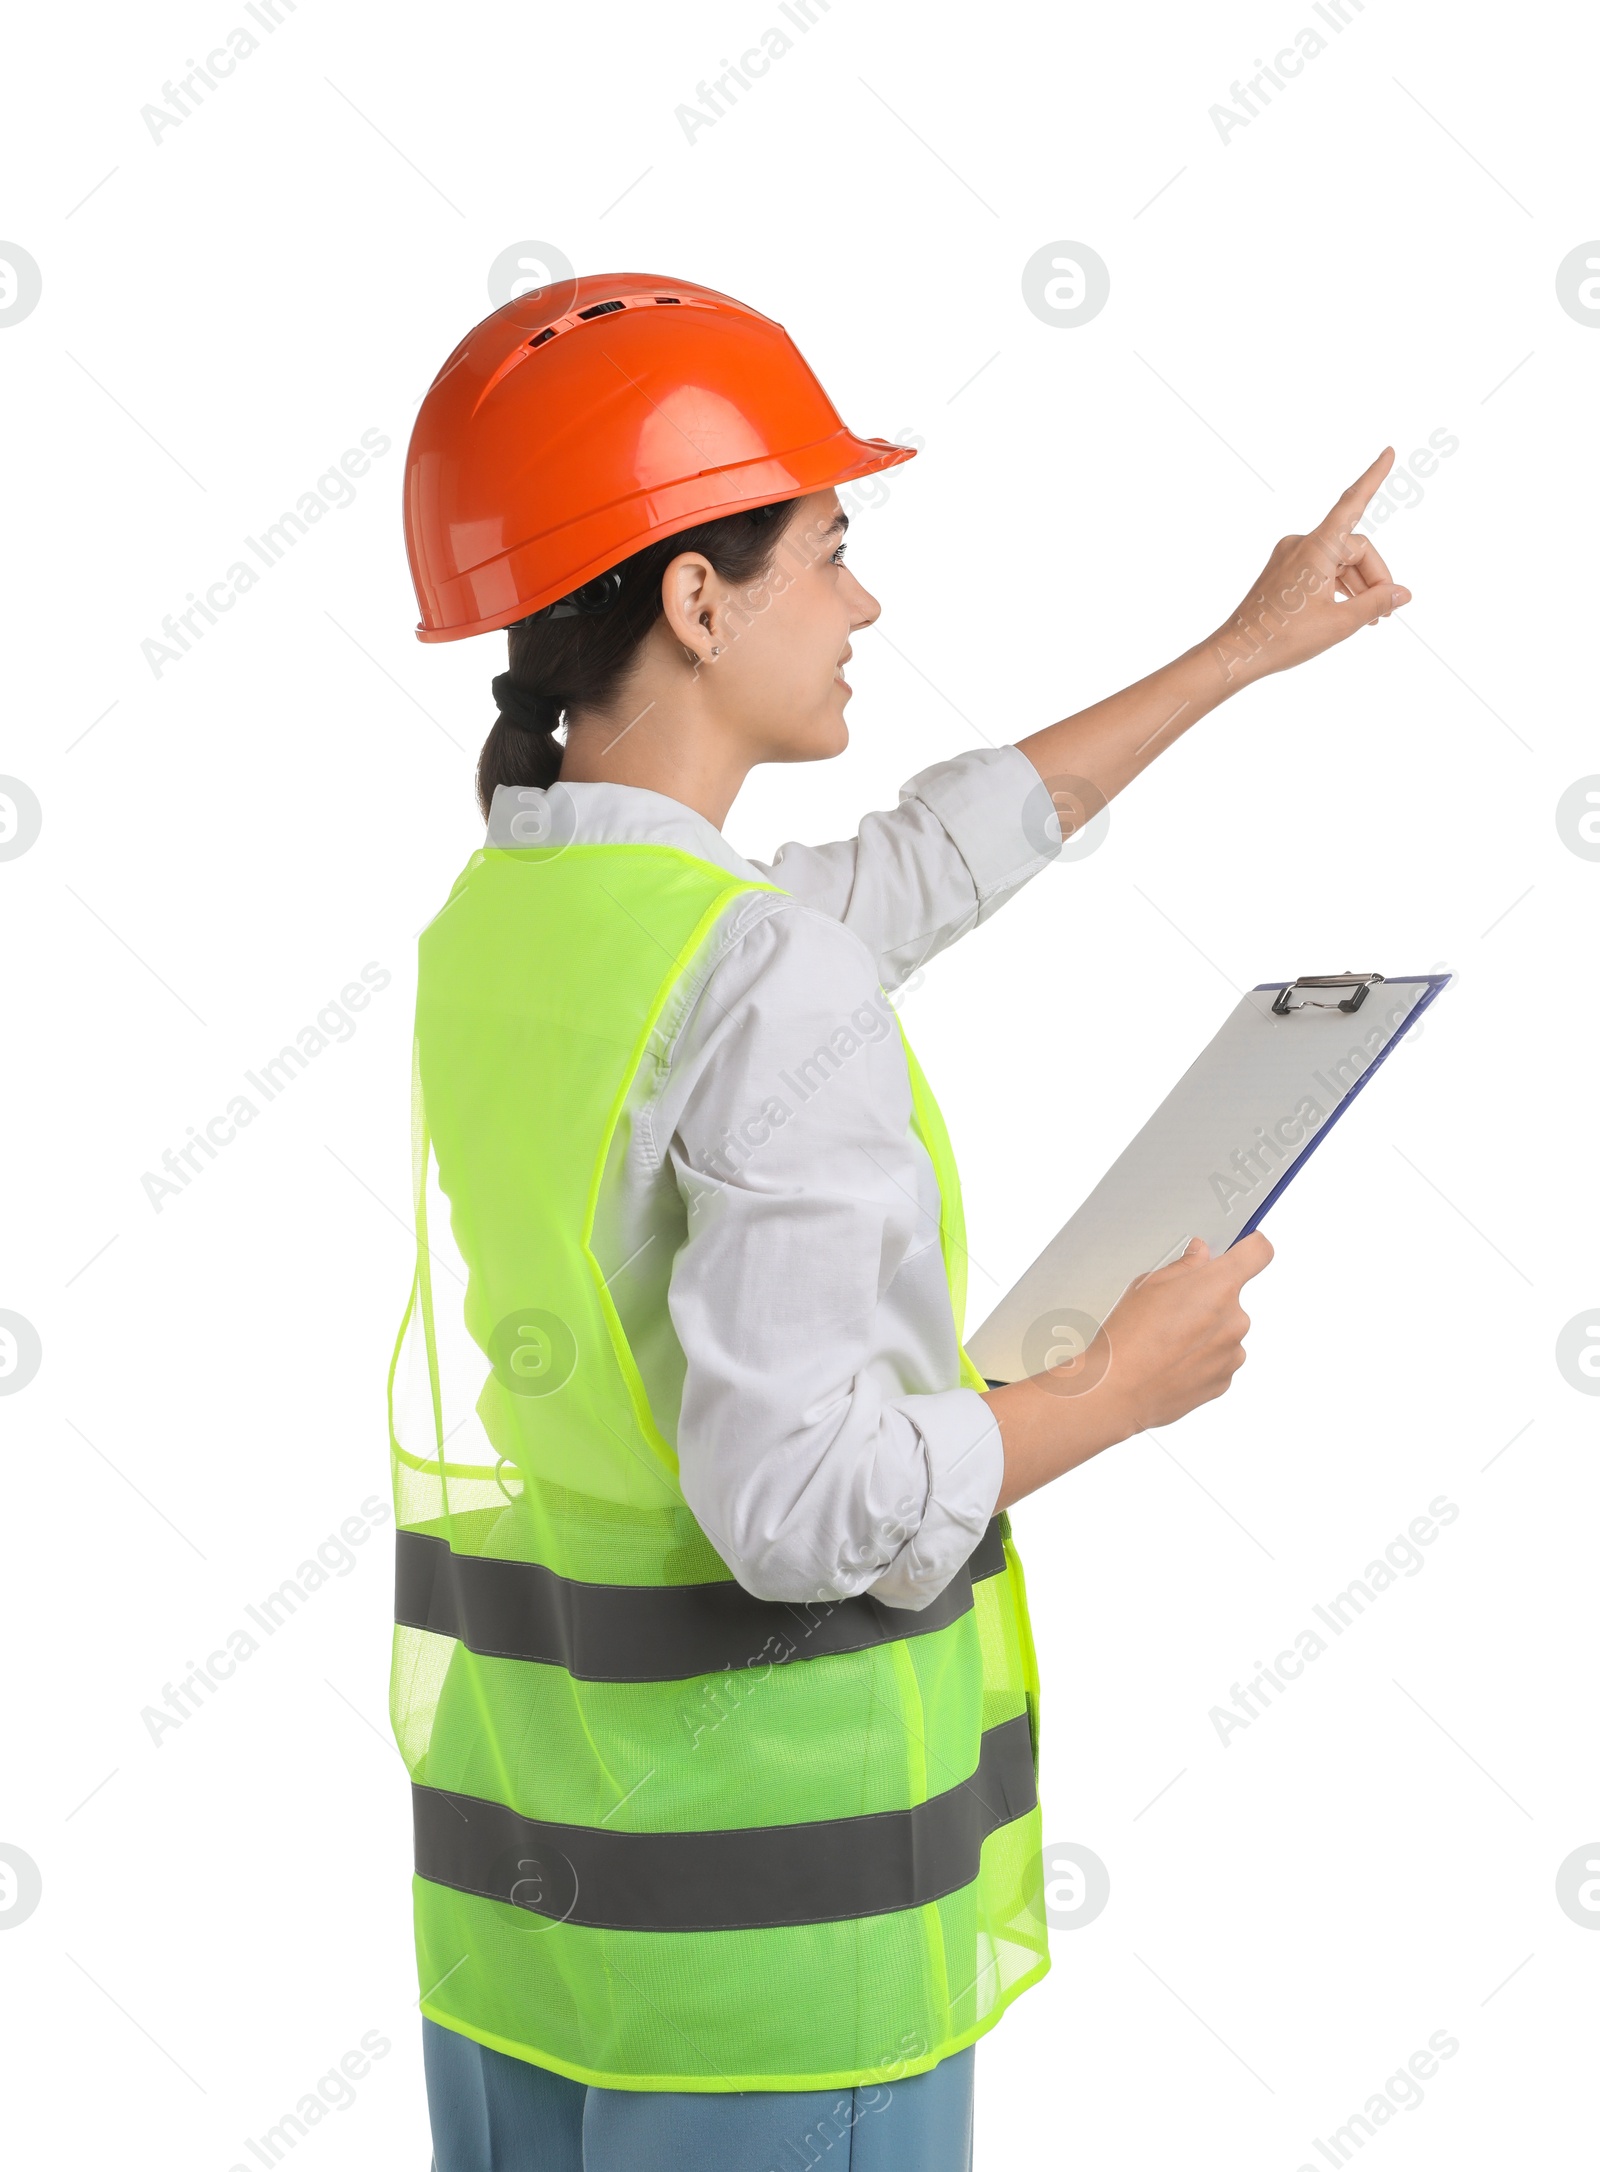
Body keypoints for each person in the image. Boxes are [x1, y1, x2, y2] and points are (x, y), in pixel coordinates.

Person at [390, 272, 1411, 2172]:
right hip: (771, 1954)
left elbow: (921, 866)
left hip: (534, 1901)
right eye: (831, 548)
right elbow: (806, 1512)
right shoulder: (753, 979)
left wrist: (1241, 649)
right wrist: (1123, 1383)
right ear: (699, 600)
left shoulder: (511, 926)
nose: (864, 603)